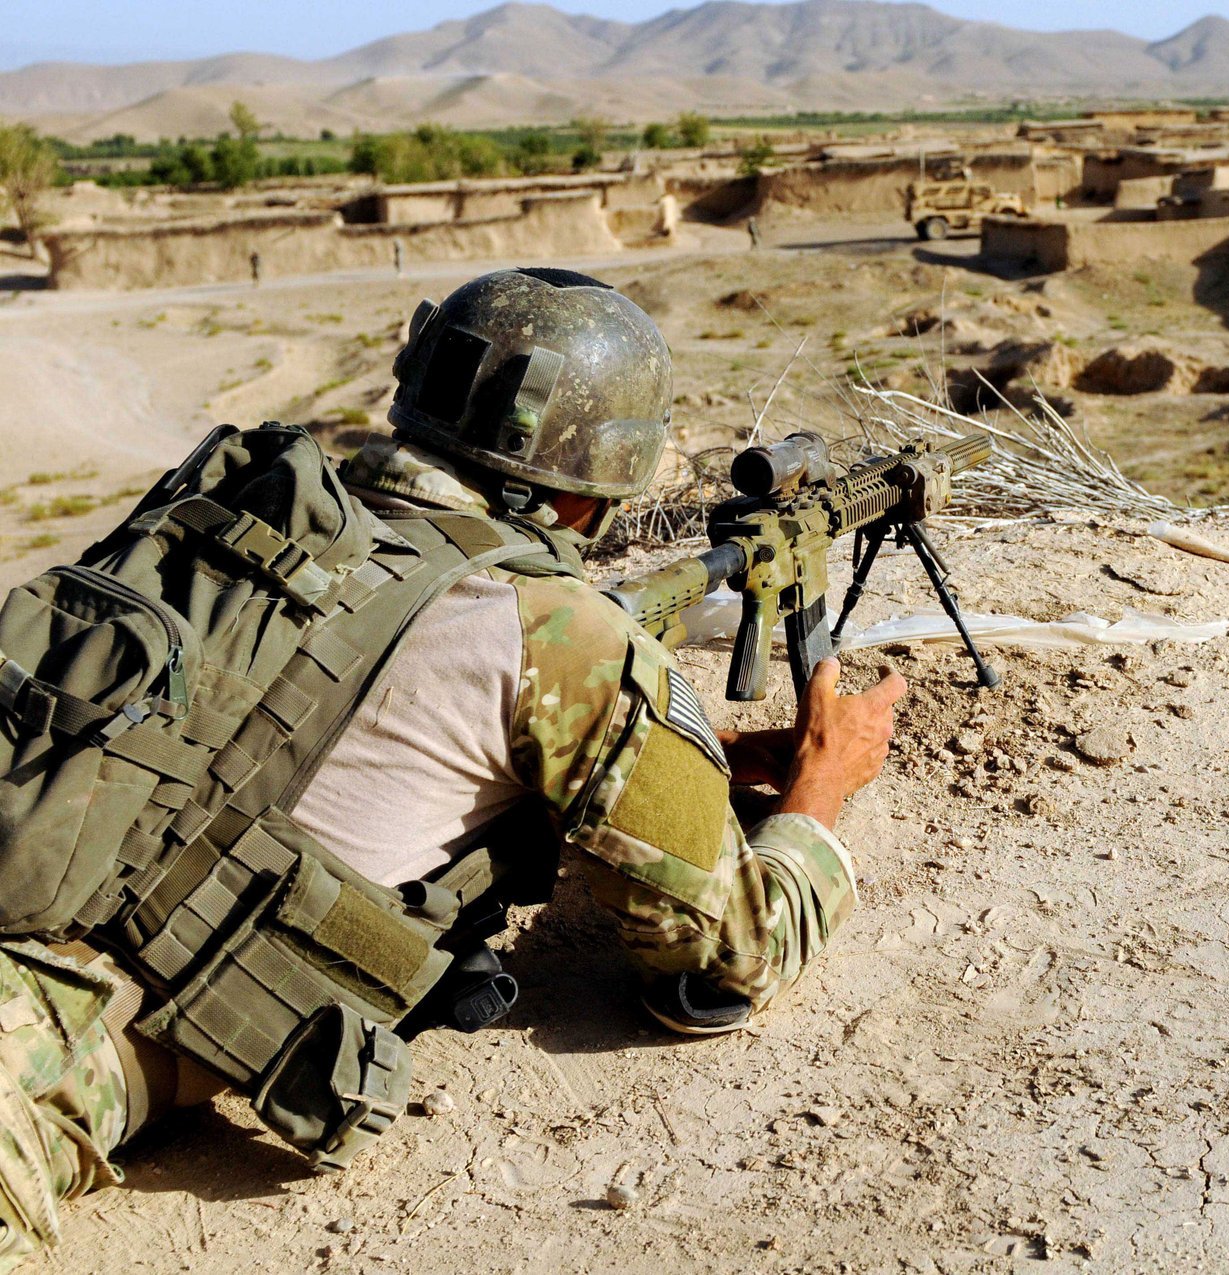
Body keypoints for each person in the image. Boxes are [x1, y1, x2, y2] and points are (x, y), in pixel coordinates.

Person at [0, 267, 905, 1267]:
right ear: (583, 489)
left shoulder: (260, 519)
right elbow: (727, 960)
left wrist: (695, 757)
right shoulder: (557, 635)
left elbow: (243, 741)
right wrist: (822, 781)